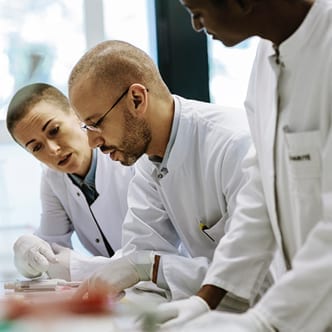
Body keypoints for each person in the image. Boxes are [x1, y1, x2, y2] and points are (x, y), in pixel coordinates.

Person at [154, 0, 332, 331]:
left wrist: (266, 319)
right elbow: (262, 188)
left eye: (197, 11)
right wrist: (206, 299)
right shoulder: (265, 62)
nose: (195, 25)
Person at [67, 40, 273, 311]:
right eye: (86, 127)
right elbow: (137, 257)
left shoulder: (234, 145)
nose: (92, 142)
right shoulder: (149, 163)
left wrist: (152, 267)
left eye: (96, 124)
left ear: (137, 99)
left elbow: (259, 280)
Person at [6, 83, 134, 281]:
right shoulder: (52, 178)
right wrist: (28, 253)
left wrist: (80, 268)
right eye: (36, 147)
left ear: (76, 113)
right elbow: (52, 249)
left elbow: (150, 259)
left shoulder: (128, 158)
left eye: (54, 130)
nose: (52, 149)